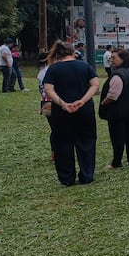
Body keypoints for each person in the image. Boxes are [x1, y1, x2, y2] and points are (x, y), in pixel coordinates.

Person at [43, 40, 100, 186]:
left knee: (62, 143)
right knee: (86, 141)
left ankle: (66, 178)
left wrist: (63, 103)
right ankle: (87, 175)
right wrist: (82, 100)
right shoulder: (85, 66)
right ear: (74, 52)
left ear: (58, 54)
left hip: (61, 111)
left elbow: (48, 89)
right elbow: (95, 85)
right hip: (84, 109)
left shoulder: (53, 69)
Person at [99, 48, 129, 169]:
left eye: (114, 58)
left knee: (117, 137)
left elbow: (113, 95)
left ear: (123, 59)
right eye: (111, 58)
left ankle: (116, 162)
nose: (111, 60)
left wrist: (103, 102)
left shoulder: (118, 75)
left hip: (117, 112)